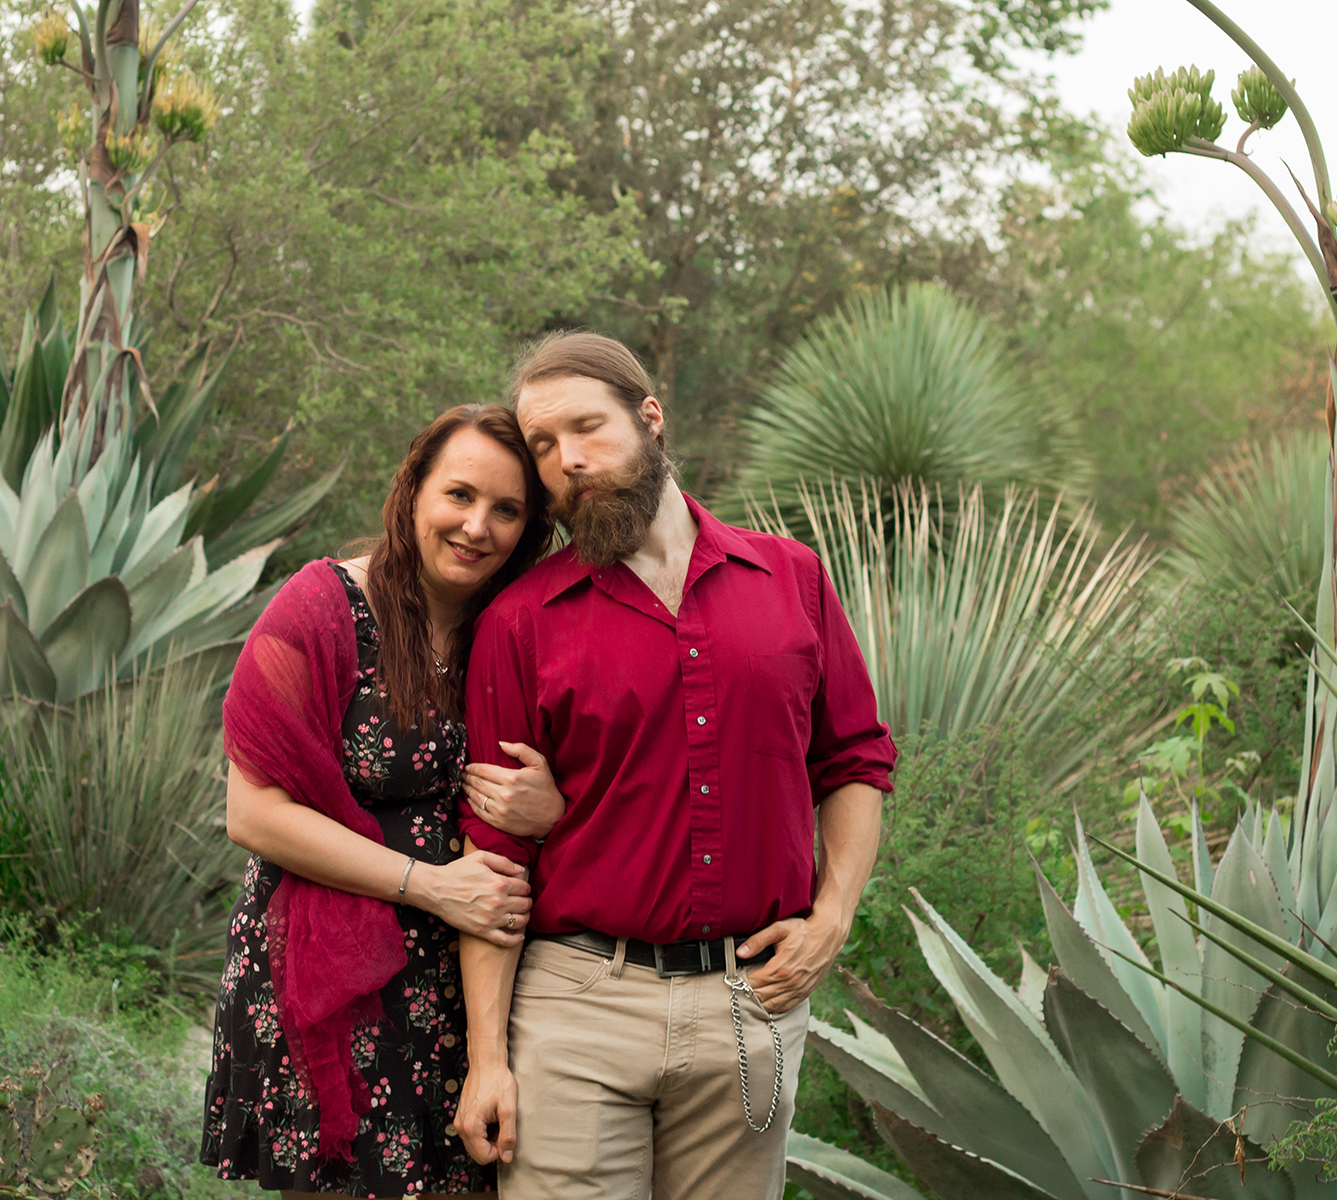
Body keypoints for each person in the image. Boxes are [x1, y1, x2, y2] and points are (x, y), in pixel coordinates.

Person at [452, 332, 896, 1200]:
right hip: (576, 1006)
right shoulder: (520, 620)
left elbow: (852, 759)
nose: (567, 462)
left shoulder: (791, 578)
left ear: (651, 419)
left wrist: (832, 917)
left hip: (749, 1003)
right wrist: (487, 1061)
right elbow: (493, 855)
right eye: (543, 446)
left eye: (587, 428)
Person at [202, 404, 568, 1198]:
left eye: (507, 510)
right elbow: (253, 813)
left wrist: (554, 811)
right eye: (460, 495)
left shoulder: (513, 634)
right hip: (335, 982)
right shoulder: (326, 606)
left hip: (466, 986)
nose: (478, 527)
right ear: (413, 493)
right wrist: (433, 886)